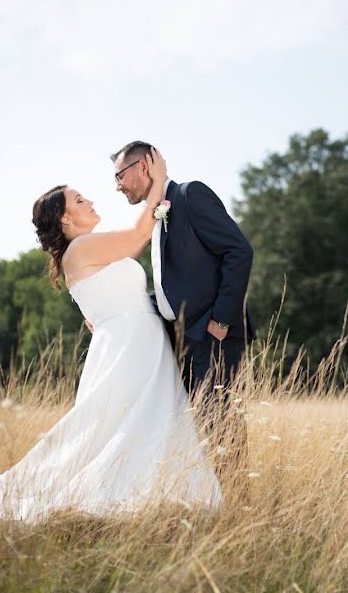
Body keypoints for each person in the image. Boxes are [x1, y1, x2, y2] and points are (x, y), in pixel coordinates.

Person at [0, 149, 222, 523]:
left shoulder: (84, 251)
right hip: (129, 347)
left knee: (138, 424)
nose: (90, 200)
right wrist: (159, 180)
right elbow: (140, 234)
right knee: (126, 426)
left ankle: (156, 504)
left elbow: (112, 298)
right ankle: (110, 503)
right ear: (64, 218)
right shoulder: (81, 248)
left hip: (135, 341)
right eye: (79, 200)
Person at [110, 141, 255, 482]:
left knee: (219, 423)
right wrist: (112, 312)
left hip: (211, 334)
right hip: (182, 340)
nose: (117, 186)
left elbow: (239, 251)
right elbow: (169, 289)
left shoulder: (191, 196)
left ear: (143, 167)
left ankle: (237, 503)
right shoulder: (156, 215)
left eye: (119, 176)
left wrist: (220, 320)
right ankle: (212, 502)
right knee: (194, 427)